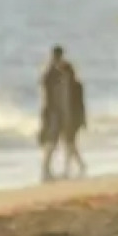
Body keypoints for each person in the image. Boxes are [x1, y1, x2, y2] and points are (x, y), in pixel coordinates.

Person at [37, 46, 70, 181]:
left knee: (55, 141)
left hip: (53, 110)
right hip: (53, 111)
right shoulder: (53, 73)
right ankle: (46, 168)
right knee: (52, 140)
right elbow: (55, 94)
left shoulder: (52, 72)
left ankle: (48, 168)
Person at [61, 61, 89, 177]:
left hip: (73, 118)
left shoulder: (73, 86)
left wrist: (83, 119)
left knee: (69, 142)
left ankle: (70, 167)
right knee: (70, 143)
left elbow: (80, 103)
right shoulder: (76, 85)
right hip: (73, 117)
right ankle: (78, 164)